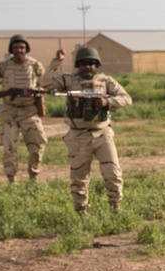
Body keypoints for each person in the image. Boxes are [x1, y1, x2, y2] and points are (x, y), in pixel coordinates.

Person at [40, 46, 132, 214]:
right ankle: (81, 212)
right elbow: (45, 84)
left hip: (102, 134)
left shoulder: (106, 81)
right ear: (78, 65)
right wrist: (56, 62)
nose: (87, 67)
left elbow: (126, 99)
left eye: (91, 63)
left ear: (97, 65)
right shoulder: (69, 80)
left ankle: (115, 209)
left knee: (113, 174)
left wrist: (107, 102)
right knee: (79, 177)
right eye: (83, 64)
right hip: (78, 136)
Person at [0, 34, 47, 183]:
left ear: (26, 49)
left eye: (22, 47)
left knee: (38, 143)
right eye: (16, 48)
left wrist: (39, 90)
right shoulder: (4, 66)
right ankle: (11, 179)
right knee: (9, 147)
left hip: (29, 111)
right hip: (9, 112)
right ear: (11, 50)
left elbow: (46, 82)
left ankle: (33, 177)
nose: (19, 50)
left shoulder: (35, 65)